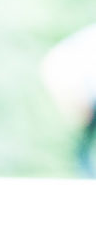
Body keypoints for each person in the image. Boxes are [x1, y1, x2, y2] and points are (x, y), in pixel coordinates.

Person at [40, 22, 96, 176]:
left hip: (80, 82)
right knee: (84, 150)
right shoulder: (65, 60)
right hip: (80, 82)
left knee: (84, 149)